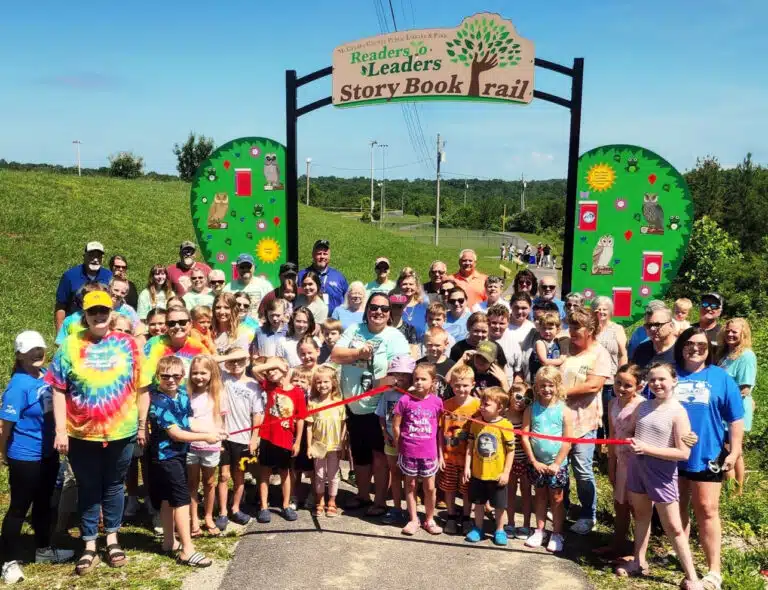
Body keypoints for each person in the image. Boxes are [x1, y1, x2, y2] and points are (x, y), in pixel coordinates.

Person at [47, 290, 145, 574]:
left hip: (121, 431)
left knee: (114, 486)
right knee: (88, 487)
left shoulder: (128, 344)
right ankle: (89, 544)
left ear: (111, 313)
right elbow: (57, 389)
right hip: (81, 433)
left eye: (104, 311)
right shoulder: (69, 345)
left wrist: (141, 425)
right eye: (93, 312)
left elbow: (142, 387)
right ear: (85, 316)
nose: (99, 316)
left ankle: (112, 539)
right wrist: (61, 430)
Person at [617, 363, 702, 590]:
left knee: (673, 526)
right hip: (638, 469)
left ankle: (692, 577)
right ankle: (638, 561)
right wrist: (627, 435)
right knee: (641, 517)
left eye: (662, 379)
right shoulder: (643, 407)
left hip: (662, 474)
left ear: (674, 381)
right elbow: (630, 430)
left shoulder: (678, 412)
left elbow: (683, 453)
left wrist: (647, 449)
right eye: (653, 380)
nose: (657, 384)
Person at [0, 332, 75, 584]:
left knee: (45, 503)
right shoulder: (17, 386)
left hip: (48, 452)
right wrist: (3, 455)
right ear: (19, 355)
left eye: (40, 349)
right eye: (31, 350)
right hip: (25, 456)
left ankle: (43, 549)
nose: (37, 353)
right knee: (19, 508)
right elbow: (5, 428)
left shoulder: (46, 377)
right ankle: (7, 562)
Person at [674, 327, 744, 590]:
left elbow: (735, 418)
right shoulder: (669, 374)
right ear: (681, 346)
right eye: (690, 343)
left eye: (702, 345)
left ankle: (714, 570)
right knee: (676, 510)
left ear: (709, 349)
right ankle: (682, 556)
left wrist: (734, 451)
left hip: (707, 455)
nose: (695, 348)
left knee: (707, 510)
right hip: (671, 456)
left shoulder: (720, 377)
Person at [331, 292, 410, 515]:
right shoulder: (355, 330)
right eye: (374, 307)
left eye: (384, 309)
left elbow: (400, 375)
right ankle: (363, 495)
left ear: (389, 314)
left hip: (380, 407)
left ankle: (380, 501)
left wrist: (377, 382)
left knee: (380, 455)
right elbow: (336, 355)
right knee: (360, 454)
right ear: (367, 309)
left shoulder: (395, 336)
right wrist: (358, 353)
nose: (379, 312)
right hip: (354, 406)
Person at [148, 356, 225, 569]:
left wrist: (212, 431)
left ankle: (168, 542)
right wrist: (205, 438)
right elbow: (176, 433)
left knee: (166, 499)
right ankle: (187, 550)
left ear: (183, 377)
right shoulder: (158, 401)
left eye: (176, 376)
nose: (171, 380)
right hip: (166, 458)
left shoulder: (182, 395)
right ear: (158, 377)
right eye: (165, 376)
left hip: (178, 455)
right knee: (181, 500)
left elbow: (188, 422)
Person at [559, 308, 612, 535]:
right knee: (560, 467)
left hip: (584, 420)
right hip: (558, 419)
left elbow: (593, 385)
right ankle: (563, 507)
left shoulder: (600, 354)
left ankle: (588, 514)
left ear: (590, 330)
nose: (572, 331)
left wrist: (562, 392)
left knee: (582, 469)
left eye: (577, 327)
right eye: (570, 326)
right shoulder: (563, 346)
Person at [596, 364, 644, 560]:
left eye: (628, 385)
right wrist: (612, 464)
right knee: (619, 504)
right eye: (618, 383)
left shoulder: (642, 405)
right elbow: (612, 434)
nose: (621, 388)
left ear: (638, 387)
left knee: (636, 507)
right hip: (620, 459)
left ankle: (637, 551)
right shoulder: (612, 403)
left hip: (637, 463)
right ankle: (618, 544)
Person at [522, 367, 573, 553]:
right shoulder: (531, 409)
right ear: (536, 387)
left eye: (550, 385)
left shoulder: (565, 411)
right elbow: (525, 436)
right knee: (540, 495)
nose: (546, 389)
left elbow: (567, 441)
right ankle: (540, 530)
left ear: (557, 386)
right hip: (537, 464)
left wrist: (557, 463)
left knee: (557, 498)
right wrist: (533, 461)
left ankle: (557, 533)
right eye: (542, 385)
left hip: (556, 465)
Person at [252, 356, 306, 523]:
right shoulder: (269, 387)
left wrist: (297, 442)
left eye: (274, 368)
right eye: (268, 370)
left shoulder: (297, 392)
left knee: (285, 473)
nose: (270, 372)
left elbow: (301, 418)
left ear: (285, 368)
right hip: (268, 437)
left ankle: (286, 504)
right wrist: (274, 365)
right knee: (265, 473)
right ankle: (263, 507)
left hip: (286, 438)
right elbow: (255, 370)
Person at [393, 363, 444, 535]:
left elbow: (439, 430)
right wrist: (400, 446)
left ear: (433, 382)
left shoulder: (437, 402)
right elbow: (396, 426)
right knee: (410, 484)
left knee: (429, 487)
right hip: (409, 451)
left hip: (429, 453)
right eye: (416, 379)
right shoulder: (404, 400)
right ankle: (413, 519)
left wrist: (440, 453)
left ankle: (429, 518)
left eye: (424, 379)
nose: (419, 382)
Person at [463, 387, 516, 546]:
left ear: (499, 408)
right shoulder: (476, 423)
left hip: (497, 475)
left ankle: (499, 530)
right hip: (478, 474)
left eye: (487, 404)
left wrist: (506, 472)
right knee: (478, 504)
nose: (482, 407)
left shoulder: (506, 425)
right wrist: (467, 467)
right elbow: (470, 447)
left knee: (499, 506)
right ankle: (478, 528)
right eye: (482, 403)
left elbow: (510, 451)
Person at [217, 349, 264, 527]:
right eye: (232, 361)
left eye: (240, 360)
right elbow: (210, 360)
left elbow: (257, 414)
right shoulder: (223, 378)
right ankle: (222, 512)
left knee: (239, 476)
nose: (236, 364)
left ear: (246, 361)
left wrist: (254, 437)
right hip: (224, 437)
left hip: (244, 439)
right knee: (223, 476)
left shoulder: (253, 385)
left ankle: (235, 508)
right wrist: (230, 357)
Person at [186, 355, 227, 535]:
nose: (199, 377)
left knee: (209, 482)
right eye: (195, 373)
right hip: (191, 445)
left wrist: (221, 438)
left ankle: (209, 516)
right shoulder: (187, 394)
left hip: (211, 446)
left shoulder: (218, 394)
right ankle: (193, 519)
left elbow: (222, 420)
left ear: (212, 373)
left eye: (203, 372)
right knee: (192, 483)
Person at [716, 318, 757, 494]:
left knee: (733, 451)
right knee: (730, 450)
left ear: (743, 334)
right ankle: (732, 490)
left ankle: (735, 492)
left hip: (735, 410)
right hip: (724, 410)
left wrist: (722, 403)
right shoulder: (725, 353)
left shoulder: (746, 355)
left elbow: (744, 389)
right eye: (728, 331)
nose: (730, 334)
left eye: (735, 332)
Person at [438, 364, 479, 534]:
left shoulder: (478, 406)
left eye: (465, 385)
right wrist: (440, 455)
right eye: (457, 385)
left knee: (467, 489)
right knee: (449, 488)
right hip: (449, 456)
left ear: (473, 385)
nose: (461, 389)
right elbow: (440, 432)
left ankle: (467, 517)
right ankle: (451, 516)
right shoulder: (445, 404)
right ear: (451, 385)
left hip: (469, 459)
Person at [374, 356, 414, 525]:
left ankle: (411, 511)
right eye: (396, 373)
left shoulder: (414, 396)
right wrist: (385, 434)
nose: (401, 377)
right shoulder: (388, 393)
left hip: (410, 443)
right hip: (391, 441)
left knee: (410, 478)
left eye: (405, 374)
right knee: (395, 474)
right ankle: (397, 508)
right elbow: (382, 416)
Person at [306, 366, 346, 518]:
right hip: (319, 446)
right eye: (319, 382)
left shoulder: (339, 403)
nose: (322, 385)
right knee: (319, 474)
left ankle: (332, 501)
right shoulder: (313, 403)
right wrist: (309, 446)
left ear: (333, 383)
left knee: (333, 474)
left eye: (326, 382)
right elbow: (309, 427)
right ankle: (320, 500)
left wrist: (342, 444)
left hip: (334, 445)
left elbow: (343, 425)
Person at [54, 241, 112, 330]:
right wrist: (60, 335)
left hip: (101, 326)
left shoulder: (109, 276)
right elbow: (61, 306)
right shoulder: (70, 276)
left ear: (102, 259)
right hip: (76, 326)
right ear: (84, 256)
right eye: (91, 255)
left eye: (98, 256)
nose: (95, 259)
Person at [593, 296, 628, 438]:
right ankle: (598, 448)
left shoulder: (617, 329)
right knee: (596, 415)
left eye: (605, 309)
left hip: (610, 380)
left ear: (610, 311)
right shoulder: (590, 328)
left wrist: (621, 377)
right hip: (593, 378)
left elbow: (623, 354)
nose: (601, 312)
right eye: (598, 309)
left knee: (610, 416)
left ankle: (612, 449)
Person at [504, 383, 533, 541]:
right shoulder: (503, 415)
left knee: (526, 493)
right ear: (510, 394)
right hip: (509, 461)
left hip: (525, 460)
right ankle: (510, 523)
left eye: (527, 400)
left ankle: (526, 525)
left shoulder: (527, 417)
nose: (521, 402)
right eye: (519, 396)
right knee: (510, 492)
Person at [298, 239, 348, 315]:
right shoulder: (301, 275)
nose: (322, 256)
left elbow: (348, 300)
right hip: (309, 321)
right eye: (319, 253)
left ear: (329, 256)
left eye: (325, 254)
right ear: (313, 255)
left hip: (333, 322)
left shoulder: (339, 277)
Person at [224, 254, 273, 318]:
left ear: (254, 267)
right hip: (236, 325)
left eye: (248, 267)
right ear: (237, 268)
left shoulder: (265, 286)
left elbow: (273, 306)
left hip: (259, 325)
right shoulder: (229, 287)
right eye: (242, 267)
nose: (245, 269)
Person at [486, 304, 524, 382]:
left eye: (501, 323)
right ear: (487, 321)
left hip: (506, 387)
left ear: (508, 323)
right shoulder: (481, 339)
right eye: (494, 322)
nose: (497, 326)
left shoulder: (514, 343)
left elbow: (518, 373)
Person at [632, 306, 677, 371]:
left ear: (671, 326)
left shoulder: (682, 350)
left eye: (657, 324)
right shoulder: (641, 350)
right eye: (648, 325)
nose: (652, 329)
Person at [417, 327, 455, 400]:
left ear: (446, 344)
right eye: (430, 345)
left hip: (445, 407)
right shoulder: (419, 364)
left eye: (437, 345)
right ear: (424, 343)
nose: (433, 348)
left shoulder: (452, 365)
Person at [529, 311, 564, 381]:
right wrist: (561, 360)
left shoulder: (557, 342)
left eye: (550, 328)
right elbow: (544, 361)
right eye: (544, 328)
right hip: (540, 378)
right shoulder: (540, 343)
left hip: (553, 377)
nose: (547, 331)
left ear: (557, 329)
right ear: (539, 328)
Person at [396, 267, 429, 340]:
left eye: (411, 284)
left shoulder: (424, 305)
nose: (408, 287)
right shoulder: (395, 306)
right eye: (404, 284)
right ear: (399, 286)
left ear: (416, 287)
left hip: (419, 347)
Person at [388, 291, 419, 356]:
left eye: (400, 306)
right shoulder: (383, 327)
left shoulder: (410, 329)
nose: (397, 309)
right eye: (394, 306)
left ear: (405, 307)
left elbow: (414, 354)